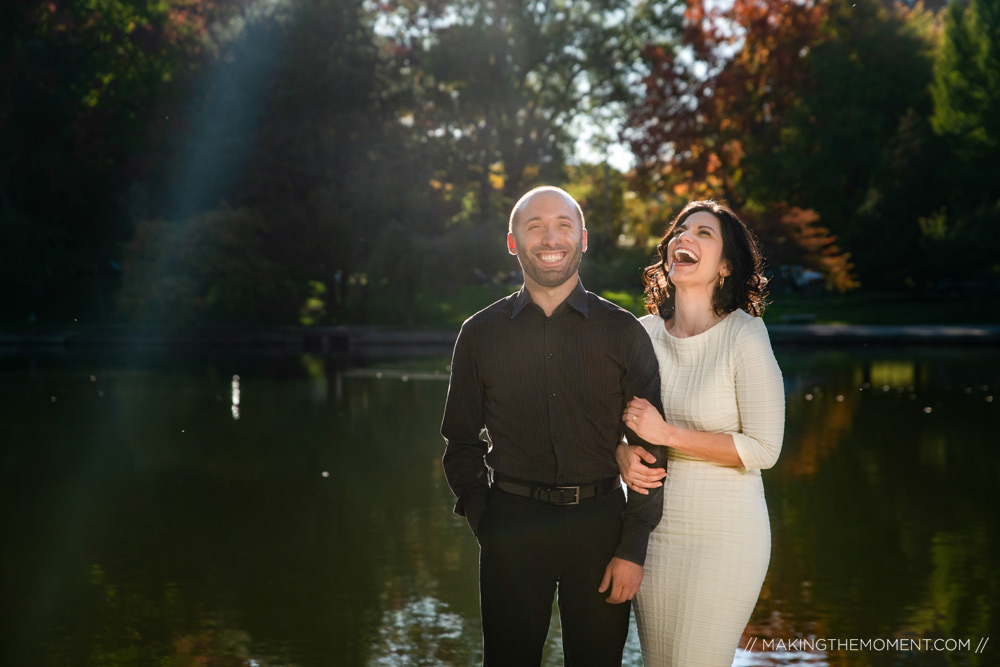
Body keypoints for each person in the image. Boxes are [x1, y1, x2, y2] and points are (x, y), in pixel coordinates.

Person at [441, 186, 667, 666]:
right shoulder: (479, 334)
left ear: (582, 239)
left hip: (601, 527)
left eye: (564, 224)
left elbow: (652, 448)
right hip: (511, 523)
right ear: (512, 242)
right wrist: (487, 521)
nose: (551, 237)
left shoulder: (622, 331)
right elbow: (459, 443)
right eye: (535, 226)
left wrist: (633, 546)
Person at [616, 200, 785, 666]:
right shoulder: (642, 333)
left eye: (703, 233)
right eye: (680, 230)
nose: (683, 238)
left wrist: (666, 433)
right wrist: (618, 454)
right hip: (653, 534)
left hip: (726, 537)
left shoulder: (744, 335)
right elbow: (605, 420)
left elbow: (764, 448)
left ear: (726, 266)